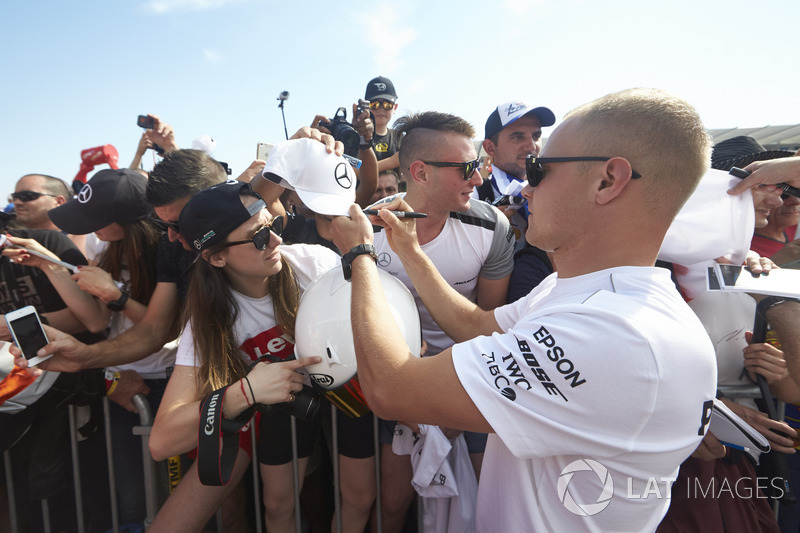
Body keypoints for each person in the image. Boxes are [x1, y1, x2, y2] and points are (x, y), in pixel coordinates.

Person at [330, 88, 718, 531]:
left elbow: (391, 389)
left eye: (540, 167)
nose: (526, 184)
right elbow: (475, 325)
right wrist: (410, 250)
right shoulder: (576, 293)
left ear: (608, 181)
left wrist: (360, 255)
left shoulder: (614, 334)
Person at [148, 181, 332, 533]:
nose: (277, 241)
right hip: (256, 414)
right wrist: (246, 392)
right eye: (260, 237)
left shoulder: (313, 264)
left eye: (274, 226)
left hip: (333, 405)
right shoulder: (207, 320)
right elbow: (162, 442)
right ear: (216, 257)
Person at [369, 111, 514, 532]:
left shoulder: (492, 226)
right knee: (392, 504)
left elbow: (485, 325)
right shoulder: (370, 229)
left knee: (486, 503)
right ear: (420, 172)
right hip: (397, 375)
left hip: (468, 376)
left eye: (479, 167)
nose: (477, 178)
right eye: (467, 168)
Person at [9, 168, 177, 529]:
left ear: (127, 219)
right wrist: (46, 260)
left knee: (171, 491)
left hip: (168, 382)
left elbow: (163, 329)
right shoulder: (103, 247)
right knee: (131, 498)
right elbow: (96, 321)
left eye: (97, 218)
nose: (90, 227)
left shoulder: (171, 249)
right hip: (121, 381)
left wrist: (117, 295)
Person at [365, 75, 402, 174]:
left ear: (395, 107)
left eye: (387, 104)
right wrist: (393, 161)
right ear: (366, 107)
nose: (381, 108)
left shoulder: (400, 138)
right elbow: (351, 171)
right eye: (374, 104)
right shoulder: (355, 136)